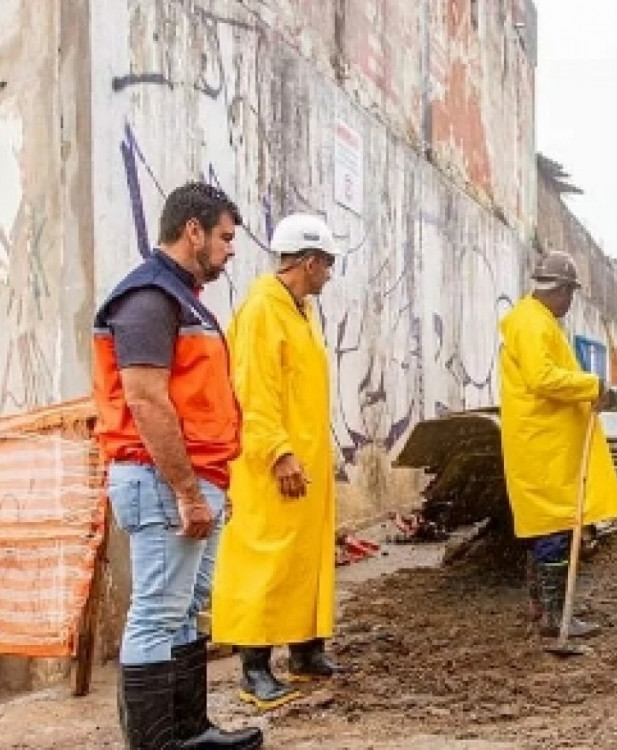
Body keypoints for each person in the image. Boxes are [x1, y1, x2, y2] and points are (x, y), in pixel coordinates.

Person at [92, 182, 262, 749]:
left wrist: (212, 484)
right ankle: (155, 743)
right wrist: (189, 493)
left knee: (185, 609)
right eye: (224, 237)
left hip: (189, 480)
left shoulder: (180, 298)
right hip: (162, 480)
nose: (230, 249)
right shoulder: (148, 298)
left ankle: (190, 732)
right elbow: (145, 401)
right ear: (194, 231)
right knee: (157, 613)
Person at [210, 214, 342, 711]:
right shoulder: (264, 310)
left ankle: (306, 653)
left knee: (302, 559)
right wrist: (279, 452)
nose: (330, 274)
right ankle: (254, 669)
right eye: (327, 265)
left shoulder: (300, 310)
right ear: (308, 263)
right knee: (263, 560)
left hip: (306, 463)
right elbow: (253, 392)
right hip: (274, 463)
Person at [498, 250, 617, 638]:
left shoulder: (532, 320)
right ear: (559, 290)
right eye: (570, 293)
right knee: (555, 528)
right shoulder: (533, 324)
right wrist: (593, 385)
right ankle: (556, 617)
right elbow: (542, 378)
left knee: (547, 528)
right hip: (545, 446)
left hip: (546, 442)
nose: (571, 303)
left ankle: (544, 611)